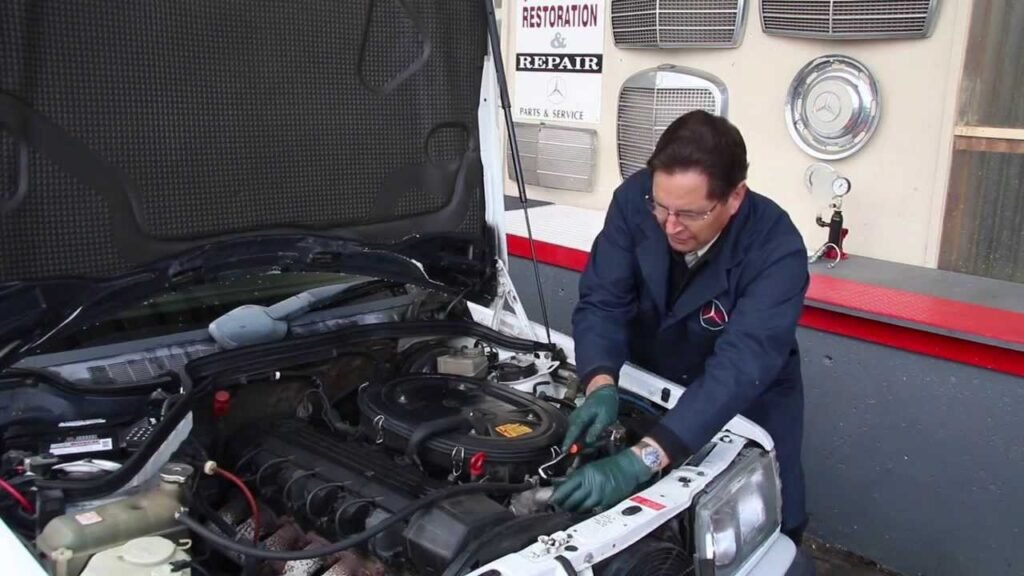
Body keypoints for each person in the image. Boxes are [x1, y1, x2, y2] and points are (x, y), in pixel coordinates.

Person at [550, 110, 810, 543]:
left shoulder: (776, 247)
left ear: (735, 197)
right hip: (651, 387)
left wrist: (641, 460)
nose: (670, 225)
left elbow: (742, 364)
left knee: (750, 533)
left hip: (746, 405)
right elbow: (602, 300)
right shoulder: (634, 200)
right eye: (662, 207)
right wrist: (599, 382)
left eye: (690, 214)